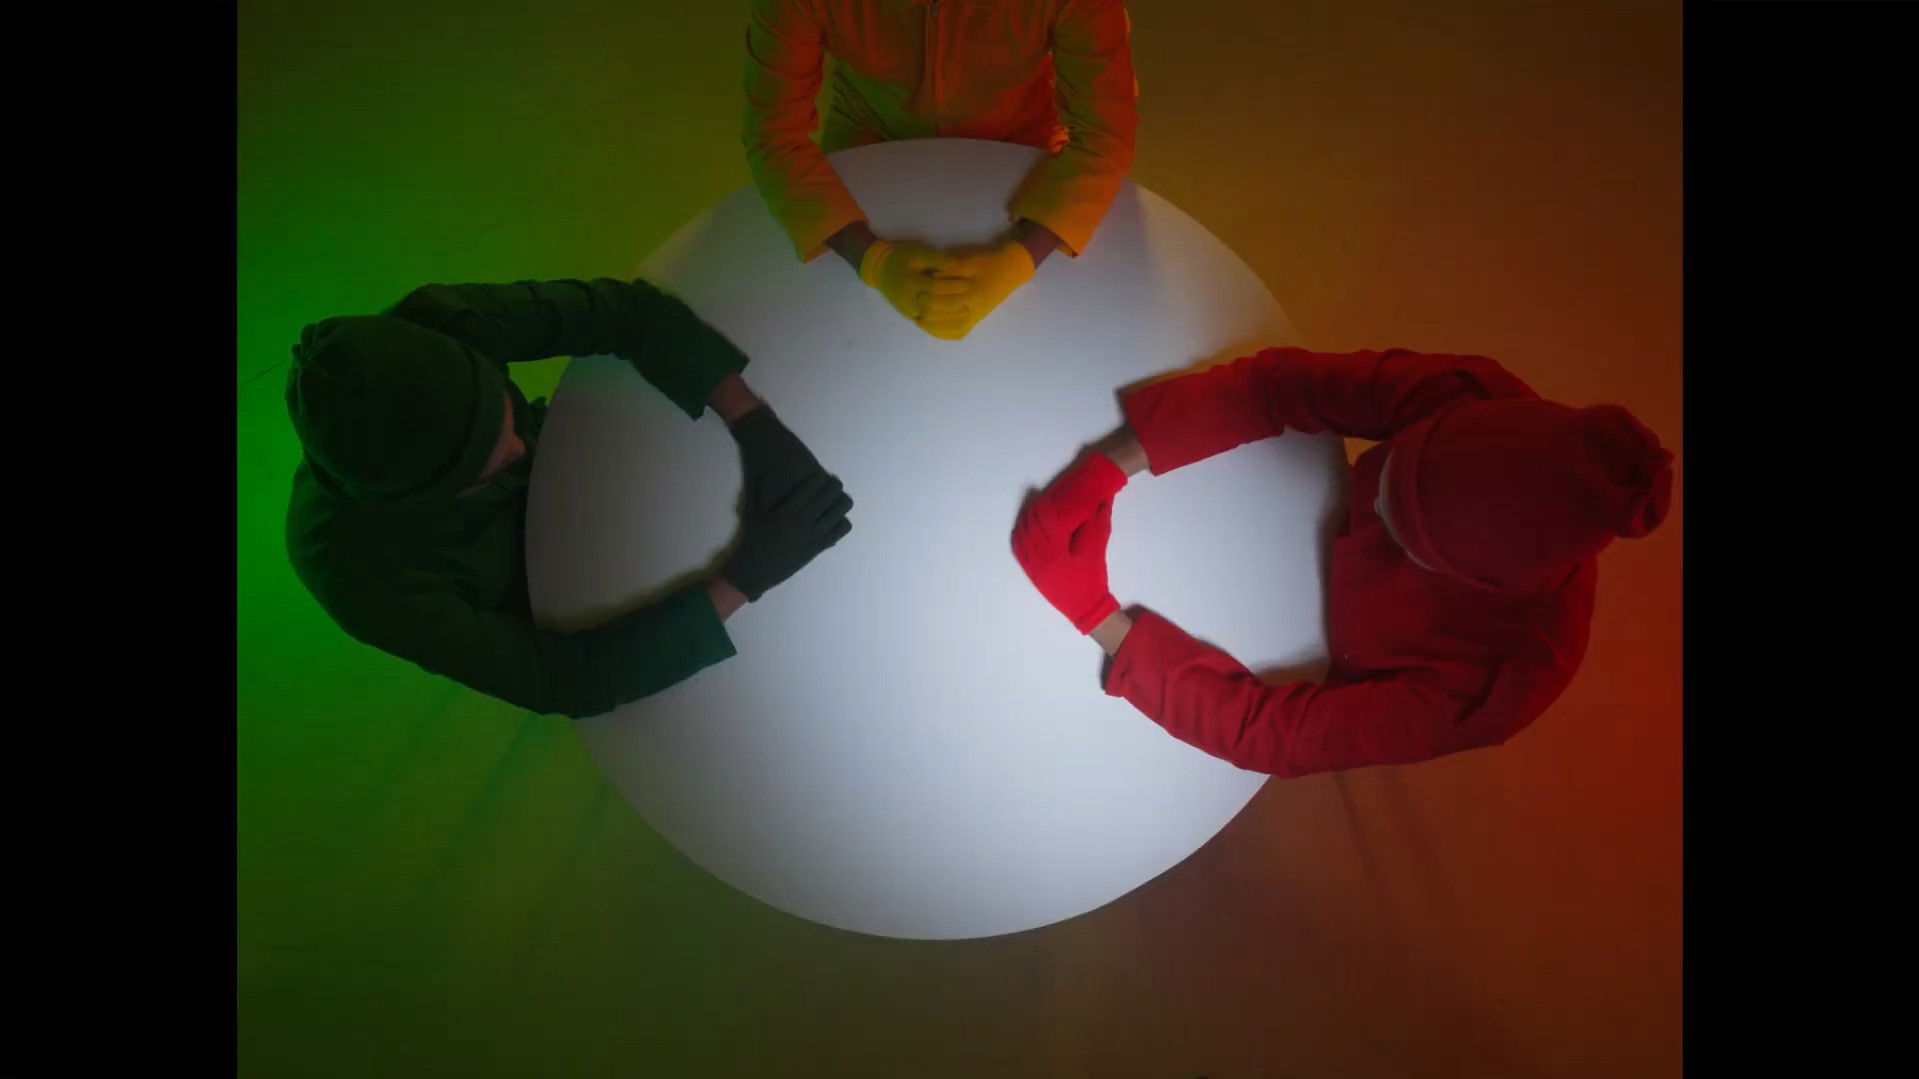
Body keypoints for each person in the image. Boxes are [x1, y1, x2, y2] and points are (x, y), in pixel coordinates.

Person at [1010, 346, 1674, 777]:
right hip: (1266, 509)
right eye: (1395, 470)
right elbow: (1278, 387)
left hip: (1303, 651)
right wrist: (1111, 463)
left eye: (1406, 531)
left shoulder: (1504, 684)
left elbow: (1278, 737)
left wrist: (1095, 614)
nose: (1375, 498)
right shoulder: (1472, 393)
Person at [284, 277, 853, 719]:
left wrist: (751, 421)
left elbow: (624, 313)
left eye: (504, 417)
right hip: (554, 598)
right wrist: (745, 577)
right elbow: (558, 678)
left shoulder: (437, 327)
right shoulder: (357, 576)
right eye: (488, 464)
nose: (518, 449)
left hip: (602, 481)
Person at [742, 0, 1139, 341]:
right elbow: (773, 133)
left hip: (1020, 144)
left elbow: (1105, 133)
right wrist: (869, 258)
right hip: (869, 140)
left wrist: (1021, 259)